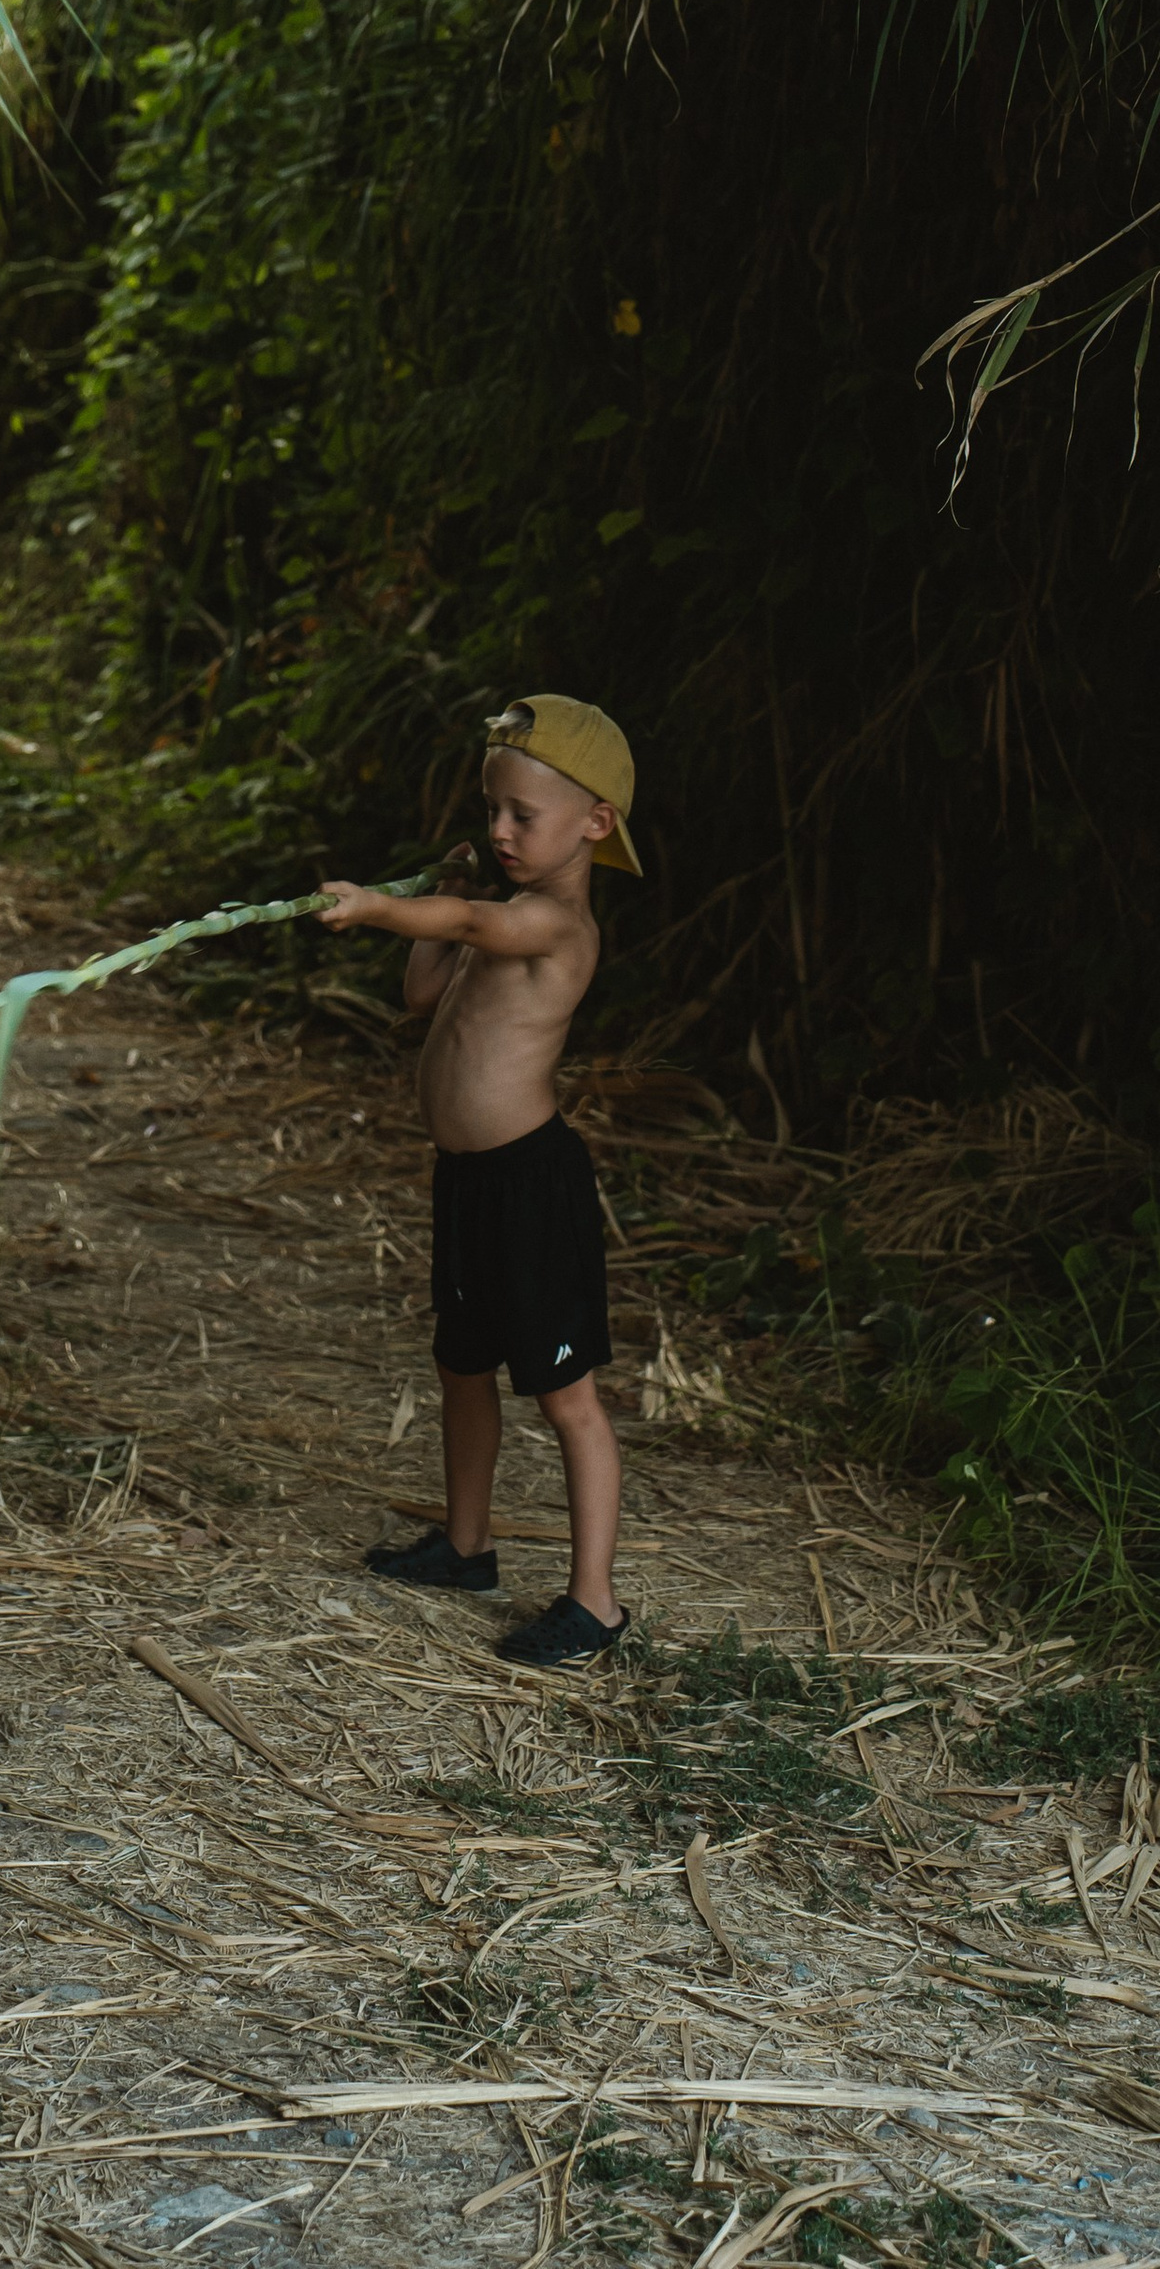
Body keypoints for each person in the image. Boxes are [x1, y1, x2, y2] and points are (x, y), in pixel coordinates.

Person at [319, 693, 638, 1666]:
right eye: (491, 809)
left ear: (594, 823)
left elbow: (465, 919)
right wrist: (434, 909)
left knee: (566, 1395)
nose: (499, 830)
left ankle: (595, 1604)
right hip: (466, 1181)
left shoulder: (554, 925)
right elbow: (426, 989)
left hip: (529, 1187)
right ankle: (465, 1548)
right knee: (461, 1364)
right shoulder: (498, 917)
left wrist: (381, 907)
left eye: (522, 815)